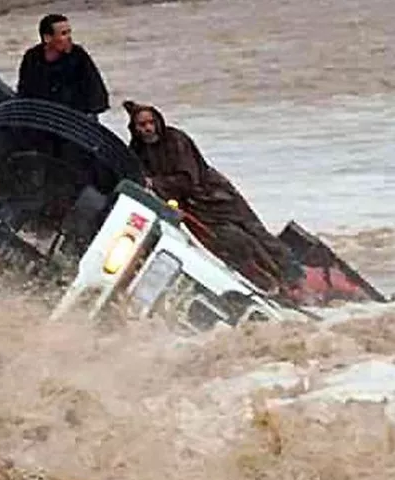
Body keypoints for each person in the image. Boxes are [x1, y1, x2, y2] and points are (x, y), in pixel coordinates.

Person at [122, 100, 301, 292]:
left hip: (215, 196)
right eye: (142, 125)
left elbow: (188, 178)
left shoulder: (176, 140)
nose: (148, 128)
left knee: (255, 232)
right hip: (193, 209)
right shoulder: (137, 151)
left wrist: (156, 183)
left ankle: (294, 276)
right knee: (232, 243)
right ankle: (267, 283)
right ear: (135, 128)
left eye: (151, 123)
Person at [16, 14, 110, 119]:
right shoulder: (32, 58)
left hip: (75, 119)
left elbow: (95, 92)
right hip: (43, 118)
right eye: (64, 34)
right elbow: (24, 91)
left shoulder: (78, 56)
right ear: (47, 38)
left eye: (69, 32)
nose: (69, 38)